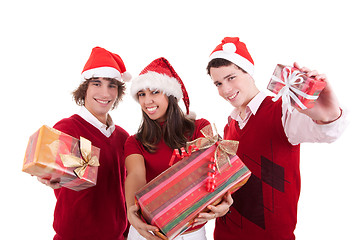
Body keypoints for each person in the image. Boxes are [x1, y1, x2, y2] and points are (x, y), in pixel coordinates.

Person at [206, 37, 347, 240]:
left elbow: (326, 129)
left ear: (249, 73)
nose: (225, 89)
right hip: (225, 233)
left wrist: (328, 113)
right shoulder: (230, 125)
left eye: (231, 77)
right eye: (218, 83)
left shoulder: (281, 110)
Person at [124, 57, 233, 240]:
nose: (147, 100)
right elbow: (135, 175)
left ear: (170, 94)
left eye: (155, 92)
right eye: (141, 94)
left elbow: (215, 169)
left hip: (193, 233)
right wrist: (132, 210)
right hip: (150, 231)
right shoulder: (134, 141)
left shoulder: (199, 127)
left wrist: (224, 200)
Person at [37, 46, 131, 240]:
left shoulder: (123, 137)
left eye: (112, 85)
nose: (105, 93)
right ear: (85, 88)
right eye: (97, 84)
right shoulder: (67, 129)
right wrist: (48, 176)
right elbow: (50, 172)